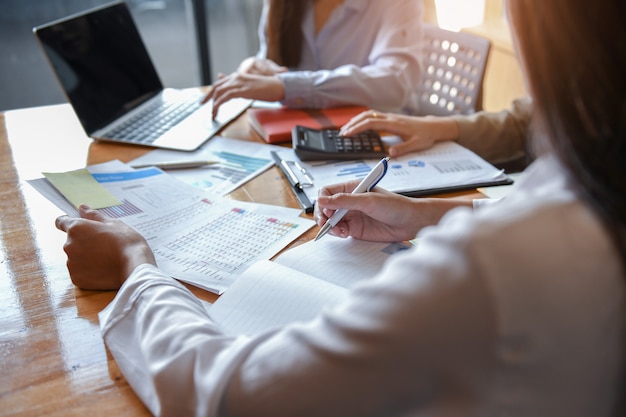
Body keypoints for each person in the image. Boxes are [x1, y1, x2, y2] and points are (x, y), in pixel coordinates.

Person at [55, 1, 625, 416]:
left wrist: (136, 266)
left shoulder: (496, 264)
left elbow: (226, 395)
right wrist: (432, 215)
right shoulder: (587, 201)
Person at [204, 0, 424, 119]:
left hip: (378, 132)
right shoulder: (281, 5)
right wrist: (255, 68)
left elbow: (396, 82)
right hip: (301, 128)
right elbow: (274, 62)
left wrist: (286, 87)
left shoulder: (397, 3)